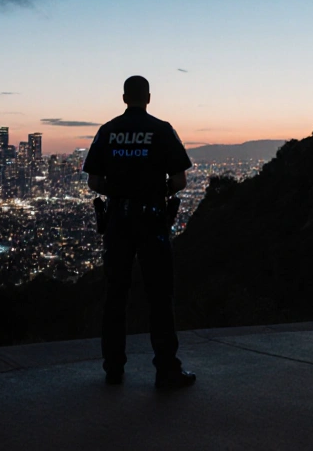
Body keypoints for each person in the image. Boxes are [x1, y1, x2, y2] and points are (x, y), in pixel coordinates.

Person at [84, 75, 196, 390]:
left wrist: (119, 190)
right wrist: (152, 190)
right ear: (148, 97)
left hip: (118, 220)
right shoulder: (162, 130)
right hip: (152, 220)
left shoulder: (107, 131)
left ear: (123, 98)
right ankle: (166, 370)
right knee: (159, 295)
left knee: (115, 296)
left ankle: (113, 368)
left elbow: (94, 182)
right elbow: (179, 181)